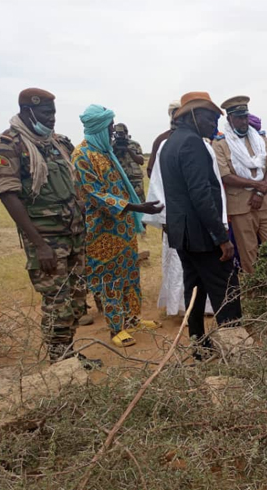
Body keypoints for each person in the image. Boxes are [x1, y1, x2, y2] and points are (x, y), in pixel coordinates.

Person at [0, 88, 98, 366]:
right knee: (57, 302)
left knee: (76, 299)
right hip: (47, 240)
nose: (52, 119)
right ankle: (60, 363)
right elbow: (8, 195)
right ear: (27, 111)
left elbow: (73, 185)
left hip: (74, 234)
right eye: (46, 113)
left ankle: (68, 353)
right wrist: (39, 244)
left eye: (54, 113)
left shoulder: (56, 143)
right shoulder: (7, 144)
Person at [72, 104, 163, 348]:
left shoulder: (106, 153)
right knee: (110, 278)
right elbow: (94, 194)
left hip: (122, 226)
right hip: (102, 228)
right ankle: (116, 326)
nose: (113, 132)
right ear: (98, 128)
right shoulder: (82, 155)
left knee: (130, 274)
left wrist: (133, 209)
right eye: (110, 127)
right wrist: (137, 208)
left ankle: (133, 318)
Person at [159, 91, 242, 355]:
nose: (215, 126)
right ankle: (235, 349)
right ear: (194, 115)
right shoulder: (192, 143)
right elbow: (200, 194)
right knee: (226, 289)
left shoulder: (171, 142)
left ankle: (198, 346)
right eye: (211, 119)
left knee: (194, 290)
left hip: (183, 234)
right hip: (203, 235)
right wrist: (221, 237)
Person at [213, 96, 267, 274]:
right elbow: (225, 175)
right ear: (229, 119)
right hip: (241, 205)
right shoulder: (220, 143)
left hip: (265, 200)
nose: (243, 121)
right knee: (249, 252)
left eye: (245, 117)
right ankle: (256, 293)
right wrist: (257, 186)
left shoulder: (259, 137)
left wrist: (260, 190)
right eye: (239, 117)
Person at [111, 123, 146, 203]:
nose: (119, 135)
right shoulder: (111, 145)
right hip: (120, 179)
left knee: (140, 203)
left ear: (126, 133)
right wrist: (114, 150)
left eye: (121, 133)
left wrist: (128, 150)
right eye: (116, 133)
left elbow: (141, 161)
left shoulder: (134, 144)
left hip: (135, 179)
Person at [147, 100, 181, 179]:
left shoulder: (198, 139)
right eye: (175, 116)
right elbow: (151, 171)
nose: (177, 119)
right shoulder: (161, 140)